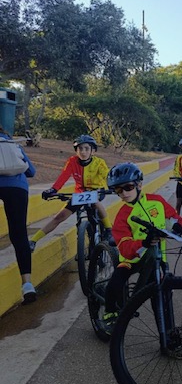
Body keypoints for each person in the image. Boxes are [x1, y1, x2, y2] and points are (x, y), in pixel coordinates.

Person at [102, 162, 182, 333]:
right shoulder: (122, 215)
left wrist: (177, 225)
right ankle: (109, 313)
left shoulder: (157, 201)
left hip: (156, 258)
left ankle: (167, 333)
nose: (124, 193)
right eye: (118, 190)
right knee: (114, 285)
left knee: (161, 295)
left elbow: (174, 217)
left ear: (139, 185)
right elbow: (124, 247)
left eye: (128, 187)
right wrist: (143, 244)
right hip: (131, 260)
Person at [30, 135, 112, 252]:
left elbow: (107, 176)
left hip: (97, 190)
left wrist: (112, 186)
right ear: (76, 151)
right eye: (80, 149)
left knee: (95, 202)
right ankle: (33, 240)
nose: (83, 152)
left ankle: (109, 230)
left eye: (86, 149)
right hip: (80, 194)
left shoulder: (99, 163)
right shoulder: (72, 161)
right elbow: (63, 176)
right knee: (60, 216)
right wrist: (53, 190)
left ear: (93, 151)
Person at [0, 125, 37, 303]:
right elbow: (31, 171)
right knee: (19, 234)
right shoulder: (13, 144)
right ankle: (27, 284)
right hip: (17, 188)